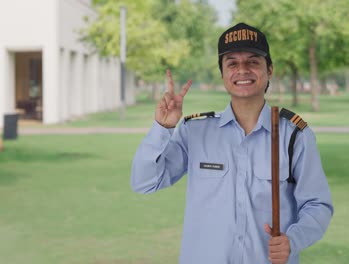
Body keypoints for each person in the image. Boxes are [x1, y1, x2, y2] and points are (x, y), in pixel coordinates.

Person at [131, 22, 333, 264]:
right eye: (232, 63)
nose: (242, 70)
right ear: (223, 74)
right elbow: (144, 182)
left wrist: (293, 240)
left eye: (252, 62)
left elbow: (318, 205)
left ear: (269, 70)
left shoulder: (294, 135)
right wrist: (162, 128)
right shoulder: (194, 131)